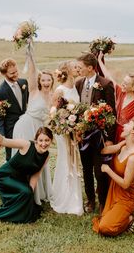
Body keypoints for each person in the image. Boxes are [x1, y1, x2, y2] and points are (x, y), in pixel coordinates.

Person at [0, 125, 53, 223]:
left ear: (51, 140)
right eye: (41, 140)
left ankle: (21, 208)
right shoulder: (26, 145)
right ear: (36, 140)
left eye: (47, 140)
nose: (44, 144)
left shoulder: (46, 156)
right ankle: (12, 215)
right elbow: (2, 141)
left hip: (20, 179)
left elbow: (36, 174)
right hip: (5, 176)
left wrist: (30, 191)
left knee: (28, 193)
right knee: (25, 192)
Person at [12, 50, 54, 205]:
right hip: (25, 125)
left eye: (48, 80)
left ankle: (37, 192)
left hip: (39, 130)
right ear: (39, 81)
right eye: (43, 80)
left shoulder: (53, 97)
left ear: (52, 81)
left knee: (38, 158)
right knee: (24, 157)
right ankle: (20, 190)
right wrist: (30, 55)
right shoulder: (34, 91)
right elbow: (32, 72)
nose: (46, 82)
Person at [92, 119, 134, 236]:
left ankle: (130, 218)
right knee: (103, 219)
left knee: (105, 227)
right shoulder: (123, 145)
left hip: (127, 196)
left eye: (128, 124)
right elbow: (104, 150)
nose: (124, 125)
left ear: (133, 131)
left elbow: (126, 184)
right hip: (115, 191)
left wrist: (108, 170)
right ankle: (121, 215)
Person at [76, 52, 116, 214]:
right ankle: (90, 200)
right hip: (83, 136)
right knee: (86, 170)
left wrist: (109, 139)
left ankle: (103, 202)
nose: (78, 70)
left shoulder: (105, 84)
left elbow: (112, 114)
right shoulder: (79, 84)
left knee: (100, 171)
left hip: (100, 137)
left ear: (91, 68)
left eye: (80, 67)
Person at [97, 51, 134, 155]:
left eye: (126, 83)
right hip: (113, 132)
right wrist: (99, 60)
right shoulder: (121, 92)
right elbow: (108, 77)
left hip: (126, 136)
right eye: (123, 82)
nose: (122, 84)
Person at [51, 60, 84, 215]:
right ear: (67, 71)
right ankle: (64, 198)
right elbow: (53, 114)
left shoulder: (75, 87)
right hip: (63, 132)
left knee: (74, 160)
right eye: (74, 67)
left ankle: (75, 199)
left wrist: (77, 127)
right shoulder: (60, 90)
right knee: (66, 160)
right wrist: (66, 127)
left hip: (74, 130)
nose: (78, 69)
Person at [0, 58, 29, 161]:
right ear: (4, 74)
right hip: (11, 129)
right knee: (12, 158)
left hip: (25, 125)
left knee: (27, 152)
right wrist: (1, 138)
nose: (16, 75)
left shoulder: (24, 82)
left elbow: (28, 101)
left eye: (16, 71)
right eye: (12, 73)